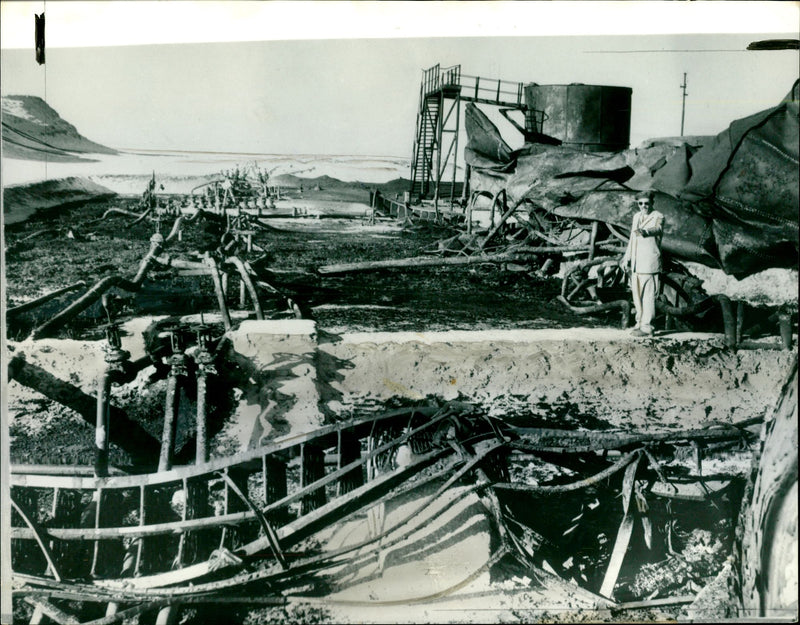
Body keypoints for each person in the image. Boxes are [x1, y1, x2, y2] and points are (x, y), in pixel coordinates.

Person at [620, 190, 664, 336]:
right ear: (637, 204)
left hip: (649, 263)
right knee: (636, 296)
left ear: (652, 203)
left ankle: (647, 327)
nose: (644, 206)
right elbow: (632, 239)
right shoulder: (636, 217)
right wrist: (627, 257)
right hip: (637, 264)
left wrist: (645, 231)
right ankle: (639, 324)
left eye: (646, 203)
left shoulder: (658, 216)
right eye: (641, 203)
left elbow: (657, 229)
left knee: (648, 297)